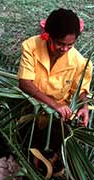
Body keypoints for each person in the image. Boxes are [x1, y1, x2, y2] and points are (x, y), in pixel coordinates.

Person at [18, 8, 92, 178]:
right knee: (26, 140)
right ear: (47, 35)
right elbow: (25, 83)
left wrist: (84, 106)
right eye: (60, 43)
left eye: (70, 45)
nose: (64, 49)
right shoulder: (31, 46)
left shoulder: (79, 62)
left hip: (57, 117)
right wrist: (54, 104)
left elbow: (80, 90)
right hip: (31, 108)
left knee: (56, 143)